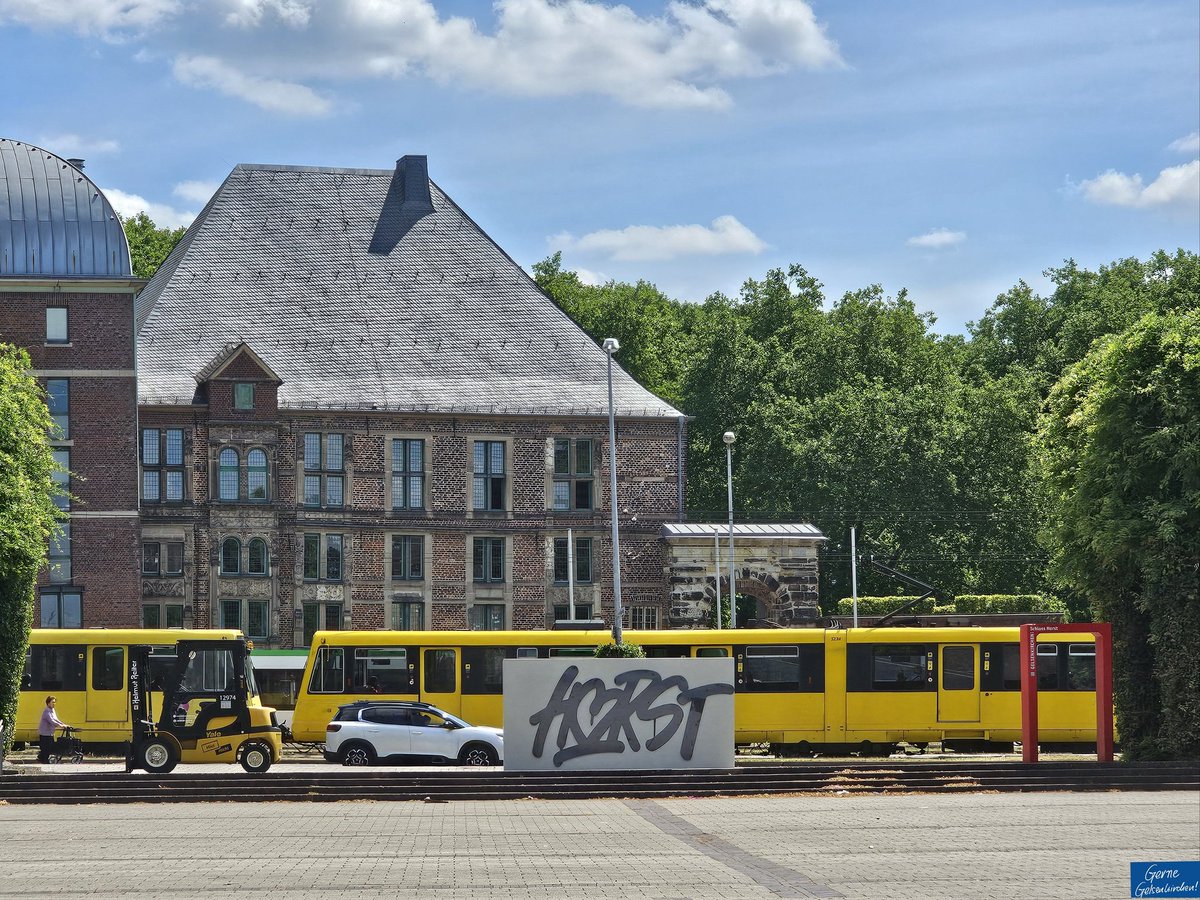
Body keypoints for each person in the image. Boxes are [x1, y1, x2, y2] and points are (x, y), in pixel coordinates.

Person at [37, 696, 69, 763]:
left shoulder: (52, 710)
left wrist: (64, 724)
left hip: (50, 733)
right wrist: (61, 726)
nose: (54, 704)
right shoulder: (46, 711)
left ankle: (41, 757)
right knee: (46, 748)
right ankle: (44, 760)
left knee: (49, 747)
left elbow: (56, 719)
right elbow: (51, 721)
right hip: (45, 734)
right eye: (52, 702)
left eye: (54, 702)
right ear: (48, 703)